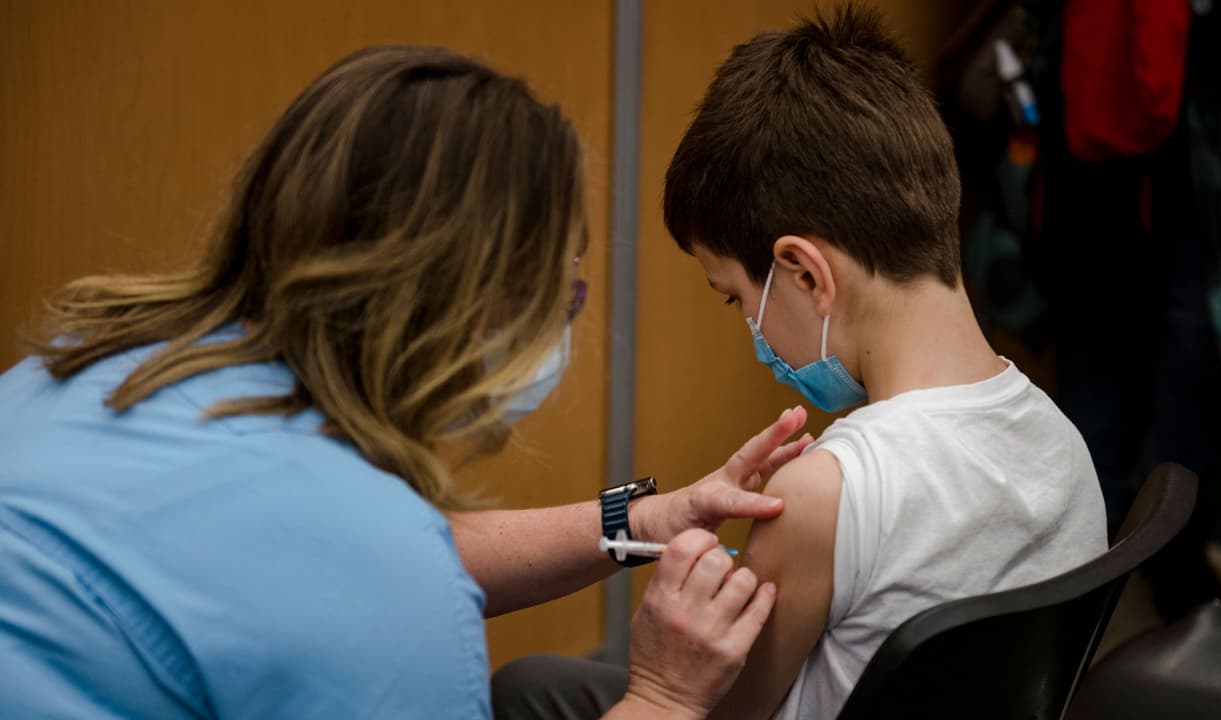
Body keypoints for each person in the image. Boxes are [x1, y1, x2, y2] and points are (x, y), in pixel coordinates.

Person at [0, 45, 811, 718]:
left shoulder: (88, 366)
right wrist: (665, 697)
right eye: (561, 293)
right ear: (480, 304)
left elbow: (320, 556)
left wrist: (640, 520)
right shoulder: (377, 582)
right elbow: (363, 567)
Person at [492, 7, 1108, 719]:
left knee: (523, 688)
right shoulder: (1067, 446)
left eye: (736, 300)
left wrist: (662, 672)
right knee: (536, 683)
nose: (754, 334)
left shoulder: (825, 495)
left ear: (807, 274)